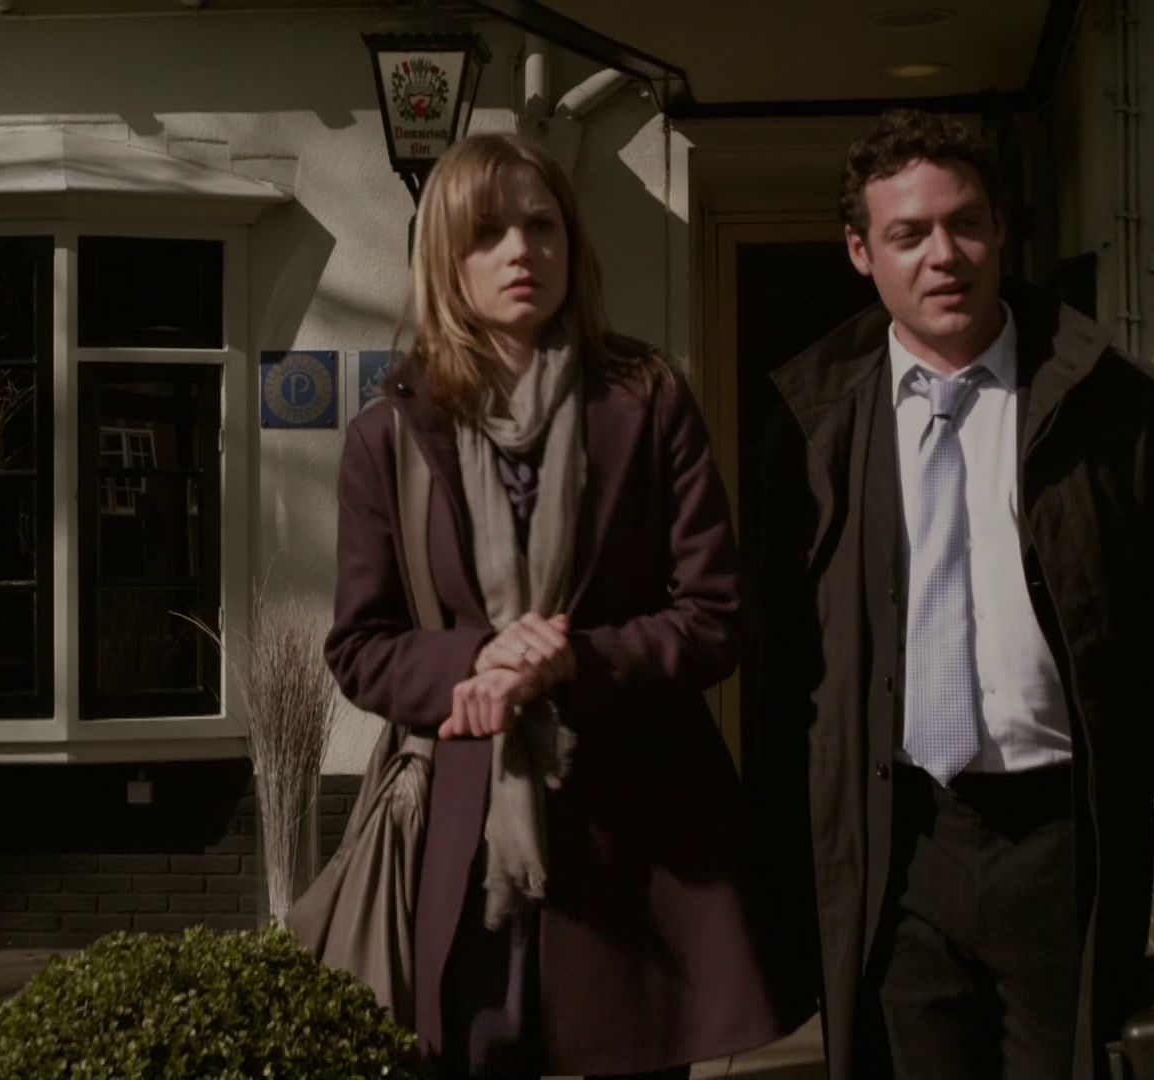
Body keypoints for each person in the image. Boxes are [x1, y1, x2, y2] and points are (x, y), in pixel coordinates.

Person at [744, 109, 1154, 1079]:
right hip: (898, 844)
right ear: (860, 251)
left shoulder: (1112, 402)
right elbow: (780, 674)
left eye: (965, 223)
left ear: (1002, 228)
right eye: (909, 234)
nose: (945, 255)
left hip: (1062, 844)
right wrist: (775, 885)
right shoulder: (809, 423)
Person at [324, 133, 806, 1080]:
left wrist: (576, 658)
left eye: (542, 226)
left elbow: (714, 616)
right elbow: (362, 646)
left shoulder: (647, 400)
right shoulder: (388, 435)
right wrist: (479, 661)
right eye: (488, 231)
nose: (521, 251)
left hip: (642, 846)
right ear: (444, 257)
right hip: (469, 844)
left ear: (572, 245)